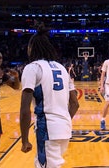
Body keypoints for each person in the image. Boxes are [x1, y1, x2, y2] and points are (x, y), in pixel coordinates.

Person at [19, 22, 79, 168]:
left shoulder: (32, 68)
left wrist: (24, 139)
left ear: (32, 48)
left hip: (47, 130)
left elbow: (24, 108)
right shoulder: (62, 69)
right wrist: (62, 122)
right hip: (65, 128)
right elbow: (75, 104)